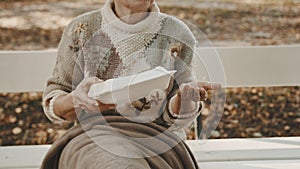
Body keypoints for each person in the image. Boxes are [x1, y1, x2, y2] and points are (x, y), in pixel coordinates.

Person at [41, 0, 221, 168]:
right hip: (92, 139)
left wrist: (184, 100)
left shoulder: (177, 33)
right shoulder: (81, 30)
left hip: (156, 140)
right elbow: (55, 101)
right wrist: (75, 100)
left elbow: (175, 118)